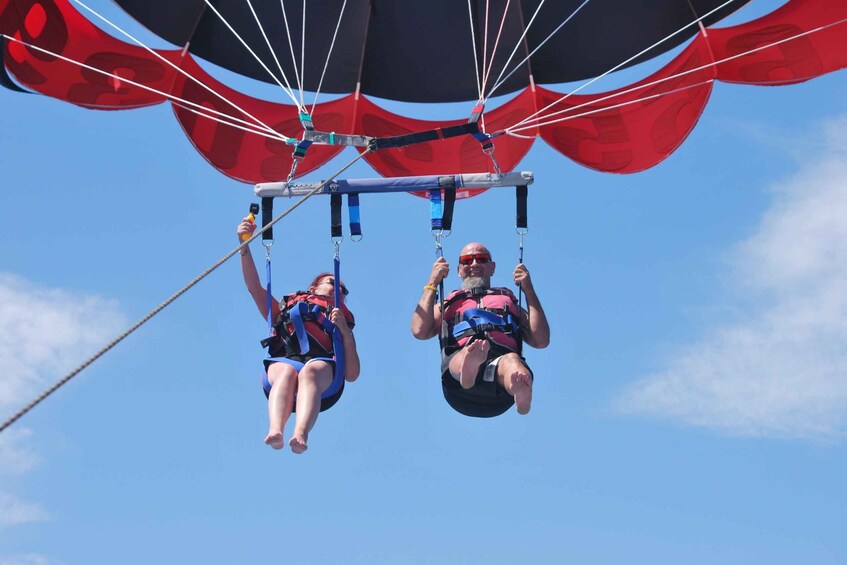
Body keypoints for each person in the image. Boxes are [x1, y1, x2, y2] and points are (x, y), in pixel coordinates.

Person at [237, 216, 360, 453]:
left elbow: (352, 374)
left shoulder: (340, 319)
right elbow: (254, 287)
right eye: (331, 282)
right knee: (285, 371)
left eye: (343, 290)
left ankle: (300, 434)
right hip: (285, 359)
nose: (339, 290)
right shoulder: (286, 309)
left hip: (322, 366)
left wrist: (344, 331)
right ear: (313, 289)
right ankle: (276, 429)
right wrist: (244, 245)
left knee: (311, 371)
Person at [411, 242, 549, 417]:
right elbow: (419, 330)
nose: (474, 264)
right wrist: (433, 281)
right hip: (459, 384)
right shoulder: (448, 303)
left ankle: (518, 389)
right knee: (465, 354)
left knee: (513, 362)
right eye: (467, 260)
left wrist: (528, 289)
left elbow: (541, 340)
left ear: (492, 267)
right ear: (459, 269)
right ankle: (469, 369)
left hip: (498, 375)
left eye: (481, 259)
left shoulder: (508, 299)